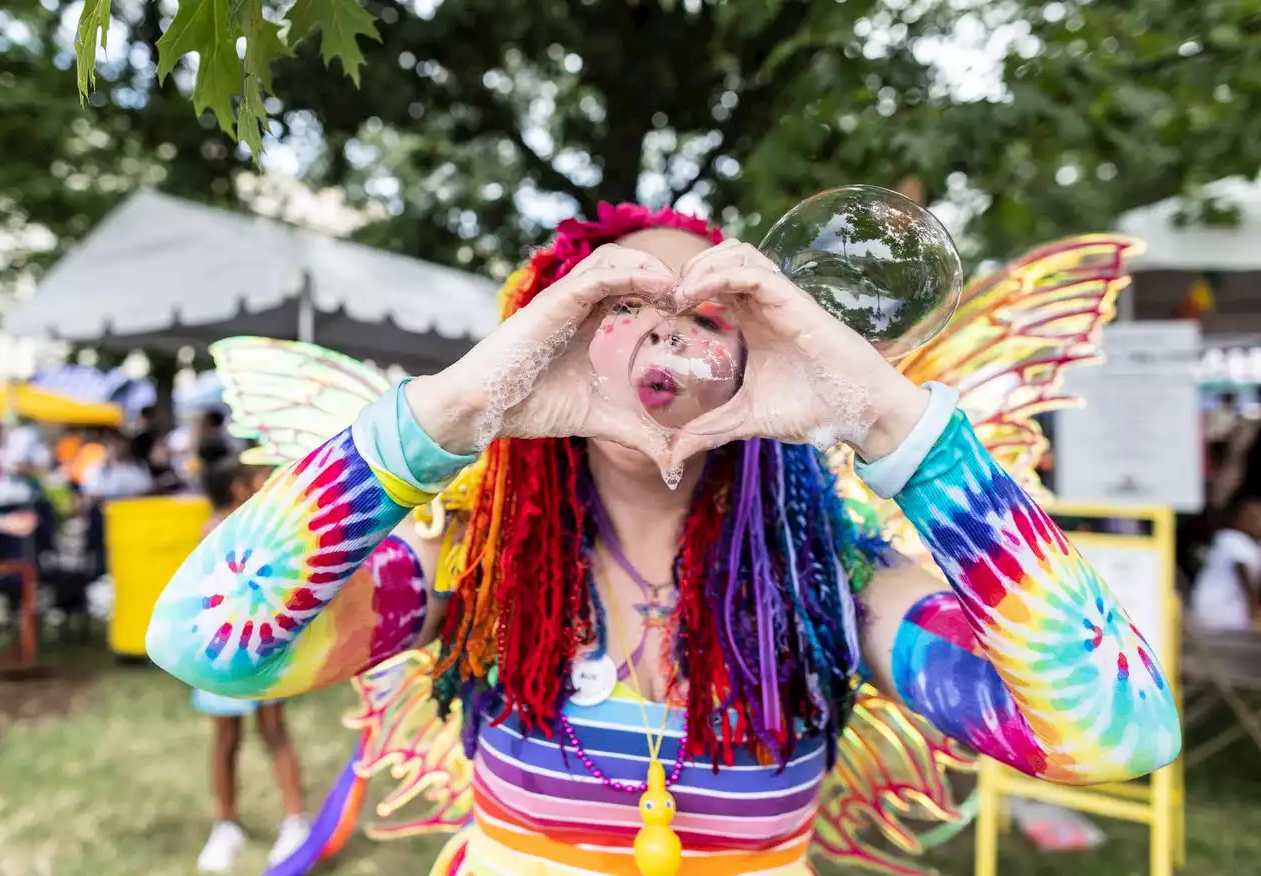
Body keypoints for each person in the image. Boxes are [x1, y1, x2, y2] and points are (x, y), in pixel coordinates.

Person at [146, 205, 1180, 876]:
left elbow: (1117, 733)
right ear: (549, 338)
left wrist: (889, 425)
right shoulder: (477, 573)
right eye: (616, 303)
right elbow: (206, 644)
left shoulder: (837, 587)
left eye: (714, 311)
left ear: (764, 351)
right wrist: (455, 412)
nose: (668, 332)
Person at [191, 458, 309, 873]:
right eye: (261, 478)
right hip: (223, 651)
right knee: (226, 740)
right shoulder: (218, 531)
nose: (269, 483)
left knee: (274, 731)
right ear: (240, 490)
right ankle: (226, 824)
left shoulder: (264, 530)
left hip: (264, 647)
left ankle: (296, 821)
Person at [1190, 495, 1261, 631]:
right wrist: (1255, 612)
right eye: (1255, 518)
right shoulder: (1231, 539)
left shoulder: (1254, 545)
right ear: (1241, 520)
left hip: (1225, 613)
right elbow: (1244, 576)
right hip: (1221, 614)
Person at [80, 430, 151, 501]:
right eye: (112, 442)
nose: (117, 446)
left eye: (120, 442)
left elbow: (148, 490)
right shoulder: (97, 469)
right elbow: (90, 494)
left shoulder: (140, 466)